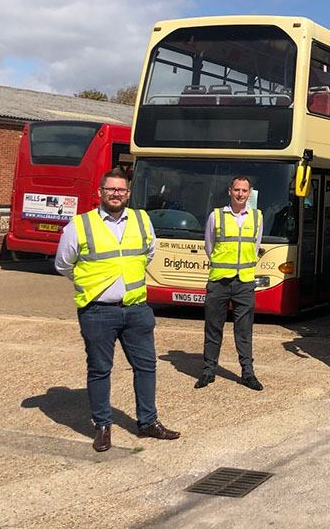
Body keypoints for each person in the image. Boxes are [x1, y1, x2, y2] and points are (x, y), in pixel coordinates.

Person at [54, 169, 180, 452]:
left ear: (128, 193)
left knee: (146, 367)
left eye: (121, 190)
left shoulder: (141, 219)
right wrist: (92, 283)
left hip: (136, 309)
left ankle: (148, 422)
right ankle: (102, 426)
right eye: (110, 189)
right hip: (98, 311)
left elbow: (148, 253)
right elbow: (63, 264)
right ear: (100, 192)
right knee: (100, 369)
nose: (116, 194)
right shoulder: (79, 225)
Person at [195, 176, 264, 391]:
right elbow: (209, 246)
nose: (240, 194)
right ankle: (208, 371)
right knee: (213, 328)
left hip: (244, 282)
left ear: (249, 193)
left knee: (244, 331)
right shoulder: (216, 216)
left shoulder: (257, 216)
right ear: (230, 191)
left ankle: (248, 373)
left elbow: (255, 246)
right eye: (237, 190)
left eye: (244, 190)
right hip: (219, 282)